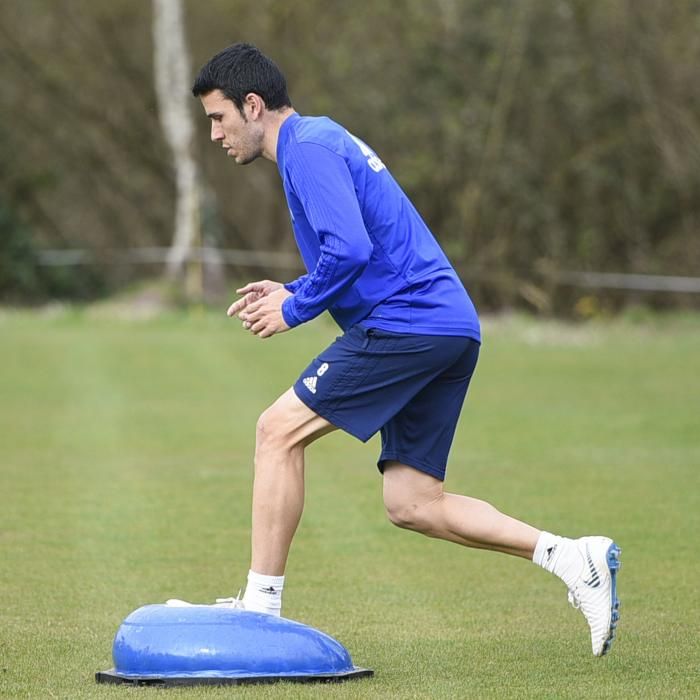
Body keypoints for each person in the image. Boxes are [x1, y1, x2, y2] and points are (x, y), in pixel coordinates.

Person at [174, 42, 621, 657]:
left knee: (277, 431)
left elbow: (352, 252)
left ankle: (261, 607)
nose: (217, 134)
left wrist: (295, 308)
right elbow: (361, 253)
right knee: (412, 502)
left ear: (254, 105)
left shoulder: (304, 149)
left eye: (218, 118)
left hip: (408, 324)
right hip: (446, 326)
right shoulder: (319, 141)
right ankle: (573, 558)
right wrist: (296, 287)